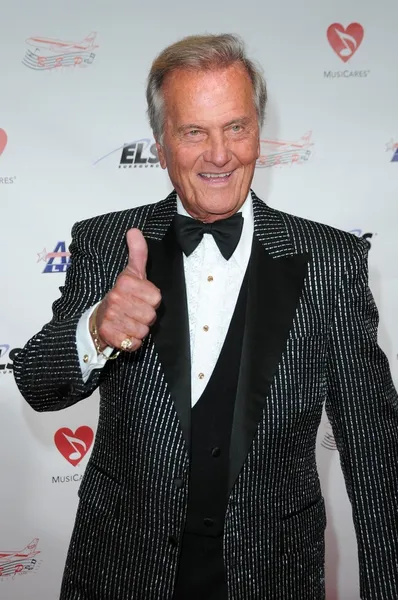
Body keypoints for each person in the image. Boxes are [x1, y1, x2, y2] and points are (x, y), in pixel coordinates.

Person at [14, 33, 398, 600]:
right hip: (122, 570)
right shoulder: (106, 242)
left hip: (273, 573)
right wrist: (96, 327)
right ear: (161, 144)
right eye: (194, 131)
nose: (219, 155)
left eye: (236, 127)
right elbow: (37, 384)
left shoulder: (330, 259)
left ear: (258, 134)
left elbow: (373, 450)